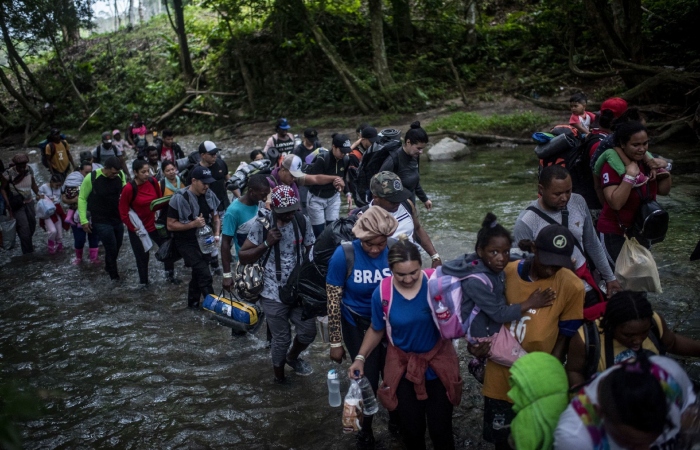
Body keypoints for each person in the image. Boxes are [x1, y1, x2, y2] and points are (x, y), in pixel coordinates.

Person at [348, 236, 462, 450]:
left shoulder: (436, 284)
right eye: (401, 274)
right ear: (390, 269)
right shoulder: (382, 293)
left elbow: (461, 314)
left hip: (438, 366)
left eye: (413, 273)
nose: (408, 279)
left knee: (442, 431)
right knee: (411, 431)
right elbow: (376, 328)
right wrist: (360, 358)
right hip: (402, 368)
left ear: (422, 266)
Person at [476, 225, 585, 450]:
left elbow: (564, 338)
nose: (551, 270)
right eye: (547, 261)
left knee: (536, 441)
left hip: (537, 381)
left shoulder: (572, 286)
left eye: (558, 264)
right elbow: (481, 319)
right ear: (534, 249)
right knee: (503, 442)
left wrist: (548, 379)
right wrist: (476, 348)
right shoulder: (505, 273)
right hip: (499, 378)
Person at [326, 206, 397, 449]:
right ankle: (365, 430)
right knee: (366, 376)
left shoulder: (397, 250)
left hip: (390, 323)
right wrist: (335, 343)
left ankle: (396, 420)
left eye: (380, 244)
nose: (376, 249)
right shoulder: (343, 255)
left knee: (393, 374)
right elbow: (333, 301)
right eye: (369, 244)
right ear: (359, 237)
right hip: (357, 322)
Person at [513, 165, 622, 319]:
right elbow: (520, 267)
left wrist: (610, 277)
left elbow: (592, 243)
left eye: (568, 191)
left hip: (583, 283)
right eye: (557, 194)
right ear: (541, 189)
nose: (564, 198)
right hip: (551, 291)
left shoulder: (578, 202)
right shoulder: (527, 221)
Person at [443, 213, 555, 352]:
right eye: (494, 252)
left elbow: (514, 257)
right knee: (523, 361)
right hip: (484, 335)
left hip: (491, 325)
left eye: (505, 252)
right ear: (480, 251)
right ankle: (479, 363)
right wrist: (531, 302)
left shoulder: (492, 264)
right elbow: (499, 314)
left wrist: (533, 255)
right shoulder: (475, 282)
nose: (501, 258)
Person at [239, 185, 316, 383]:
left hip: (298, 289)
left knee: (308, 331)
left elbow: (311, 249)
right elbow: (243, 256)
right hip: (272, 291)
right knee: (281, 339)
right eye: (284, 213)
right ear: (273, 207)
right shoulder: (262, 225)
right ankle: (279, 378)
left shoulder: (301, 220)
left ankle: (292, 357)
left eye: (292, 211)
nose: (289, 216)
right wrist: (266, 244)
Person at [554, 354, 696, 450]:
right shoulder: (575, 438)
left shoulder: (671, 379)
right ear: (600, 413)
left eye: (655, 438)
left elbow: (692, 418)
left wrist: (687, 435)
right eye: (630, 443)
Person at [565, 290, 700, 387]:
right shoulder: (585, 339)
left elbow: (673, 343)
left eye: (644, 332)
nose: (638, 340)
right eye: (628, 335)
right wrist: (585, 399)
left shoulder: (655, 322)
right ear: (611, 326)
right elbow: (574, 371)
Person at [597, 122, 672, 266]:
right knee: (621, 281)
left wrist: (666, 170)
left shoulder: (647, 162)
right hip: (615, 233)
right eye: (636, 145)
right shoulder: (612, 166)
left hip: (641, 231)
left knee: (641, 280)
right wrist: (630, 176)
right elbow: (616, 203)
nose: (642, 149)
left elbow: (664, 190)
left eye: (645, 143)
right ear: (623, 144)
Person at [353, 171, 441, 267]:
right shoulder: (364, 218)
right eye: (392, 200)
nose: (398, 202)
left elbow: (418, 229)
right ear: (376, 197)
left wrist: (435, 256)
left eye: (399, 197)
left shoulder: (407, 204)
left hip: (411, 264)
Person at [167, 165, 221, 308]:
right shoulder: (179, 198)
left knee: (198, 274)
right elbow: (170, 225)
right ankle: (215, 307)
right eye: (204, 183)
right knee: (205, 274)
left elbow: (215, 217)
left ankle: (193, 304)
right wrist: (192, 224)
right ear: (194, 181)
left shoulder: (209, 194)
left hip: (205, 240)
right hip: (186, 242)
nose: (207, 186)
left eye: (209, 183)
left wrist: (216, 235)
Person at [119, 159, 179, 286]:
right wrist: (131, 227)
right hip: (138, 228)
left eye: (148, 171)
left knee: (167, 249)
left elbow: (159, 201)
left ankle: (170, 278)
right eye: (143, 172)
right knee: (142, 258)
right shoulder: (129, 189)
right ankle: (144, 284)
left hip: (155, 224)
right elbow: (123, 212)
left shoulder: (152, 182)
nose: (147, 174)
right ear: (135, 172)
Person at [78, 156, 127, 281]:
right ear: (106, 168)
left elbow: (125, 193)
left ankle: (108, 266)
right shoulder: (92, 178)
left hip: (117, 218)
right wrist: (84, 220)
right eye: (113, 172)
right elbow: (82, 198)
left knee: (118, 245)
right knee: (111, 246)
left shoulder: (120, 175)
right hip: (100, 220)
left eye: (117, 172)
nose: (115, 175)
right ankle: (114, 277)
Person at [221, 174, 271, 289]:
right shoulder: (233, 212)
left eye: (266, 195)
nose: (265, 199)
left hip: (266, 259)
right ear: (251, 191)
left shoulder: (260, 203)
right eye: (263, 195)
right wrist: (227, 275)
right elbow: (225, 243)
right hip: (248, 263)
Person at [379, 121, 432, 210]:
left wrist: (425, 199)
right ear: (408, 142)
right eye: (418, 148)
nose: (421, 152)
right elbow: (378, 185)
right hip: (396, 208)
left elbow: (415, 181)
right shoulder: (393, 160)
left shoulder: (415, 156)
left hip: (410, 205)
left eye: (422, 149)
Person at [306, 133, 350, 237]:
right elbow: (315, 179)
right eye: (341, 151)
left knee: (333, 229)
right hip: (316, 198)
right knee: (319, 233)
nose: (343, 154)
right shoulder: (322, 159)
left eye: (346, 152)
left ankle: (331, 251)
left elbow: (343, 179)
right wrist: (335, 178)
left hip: (333, 198)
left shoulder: (346, 160)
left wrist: (347, 193)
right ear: (334, 147)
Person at [194, 141, 228, 274]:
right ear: (202, 155)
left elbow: (227, 179)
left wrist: (238, 196)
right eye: (212, 154)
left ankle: (224, 258)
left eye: (216, 153)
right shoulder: (196, 171)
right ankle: (213, 264)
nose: (215, 156)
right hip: (207, 209)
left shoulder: (220, 163)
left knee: (224, 234)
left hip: (224, 204)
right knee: (208, 236)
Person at [1, 153, 40, 254]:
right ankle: (28, 253)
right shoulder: (7, 174)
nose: (23, 168)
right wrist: (7, 202)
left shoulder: (29, 169)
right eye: (20, 166)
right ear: (15, 165)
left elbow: (33, 184)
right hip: (17, 205)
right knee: (24, 228)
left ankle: (27, 242)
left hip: (30, 202)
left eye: (24, 165)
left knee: (32, 224)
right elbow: (2, 189)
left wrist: (39, 194)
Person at [62, 161, 100, 265]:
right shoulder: (72, 182)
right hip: (76, 216)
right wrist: (73, 200)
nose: (88, 175)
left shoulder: (95, 181)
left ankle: (94, 258)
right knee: (79, 239)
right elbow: (63, 197)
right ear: (80, 171)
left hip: (93, 215)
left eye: (90, 172)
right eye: (86, 172)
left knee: (94, 237)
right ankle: (79, 258)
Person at [268, 153, 345, 203]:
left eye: (296, 176)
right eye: (292, 175)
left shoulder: (295, 179)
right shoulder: (270, 183)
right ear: (283, 170)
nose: (294, 179)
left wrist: (336, 178)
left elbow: (316, 179)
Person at [293, 128, 320, 214]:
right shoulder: (298, 150)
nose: (312, 142)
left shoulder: (317, 145)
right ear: (305, 138)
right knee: (304, 204)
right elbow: (295, 168)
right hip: (303, 181)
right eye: (310, 140)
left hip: (316, 179)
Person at [38, 173, 67, 254]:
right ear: (51, 182)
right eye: (56, 185)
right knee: (53, 231)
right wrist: (43, 198)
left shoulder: (61, 188)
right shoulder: (44, 187)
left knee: (60, 234)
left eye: (60, 185)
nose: (58, 187)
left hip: (57, 211)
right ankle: (51, 249)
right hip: (47, 213)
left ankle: (60, 252)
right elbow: (38, 198)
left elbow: (63, 197)